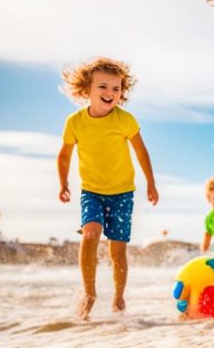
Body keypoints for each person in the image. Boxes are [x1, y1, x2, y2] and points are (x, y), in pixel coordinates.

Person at [58, 57, 159, 320]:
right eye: (103, 86)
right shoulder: (75, 122)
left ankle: (118, 296)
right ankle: (89, 294)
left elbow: (141, 151)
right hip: (91, 191)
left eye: (116, 89)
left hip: (122, 193)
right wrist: (63, 183)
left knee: (117, 251)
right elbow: (64, 156)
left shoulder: (124, 120)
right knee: (90, 233)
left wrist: (151, 182)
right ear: (86, 90)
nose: (110, 93)